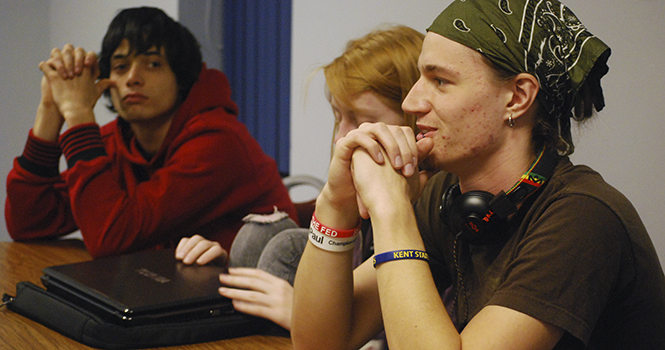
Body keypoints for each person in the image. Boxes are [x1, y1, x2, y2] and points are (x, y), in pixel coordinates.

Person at [291, 0, 665, 349]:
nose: (411, 102)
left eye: (440, 81)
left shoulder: (584, 217)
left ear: (517, 97)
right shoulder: (447, 195)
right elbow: (320, 343)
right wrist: (335, 205)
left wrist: (392, 213)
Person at [176, 25, 425, 334]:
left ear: (417, 123)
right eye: (338, 118)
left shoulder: (429, 217)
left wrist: (301, 311)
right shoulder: (364, 206)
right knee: (259, 242)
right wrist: (227, 278)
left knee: (286, 248)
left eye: (362, 121)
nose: (341, 139)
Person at [5, 7, 297, 259]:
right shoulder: (115, 140)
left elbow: (112, 238)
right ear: (106, 81)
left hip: (246, 308)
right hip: (164, 292)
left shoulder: (217, 142)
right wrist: (50, 110)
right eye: (120, 66)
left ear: (181, 78)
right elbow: (29, 223)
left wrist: (80, 116)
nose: (132, 77)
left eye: (152, 64)